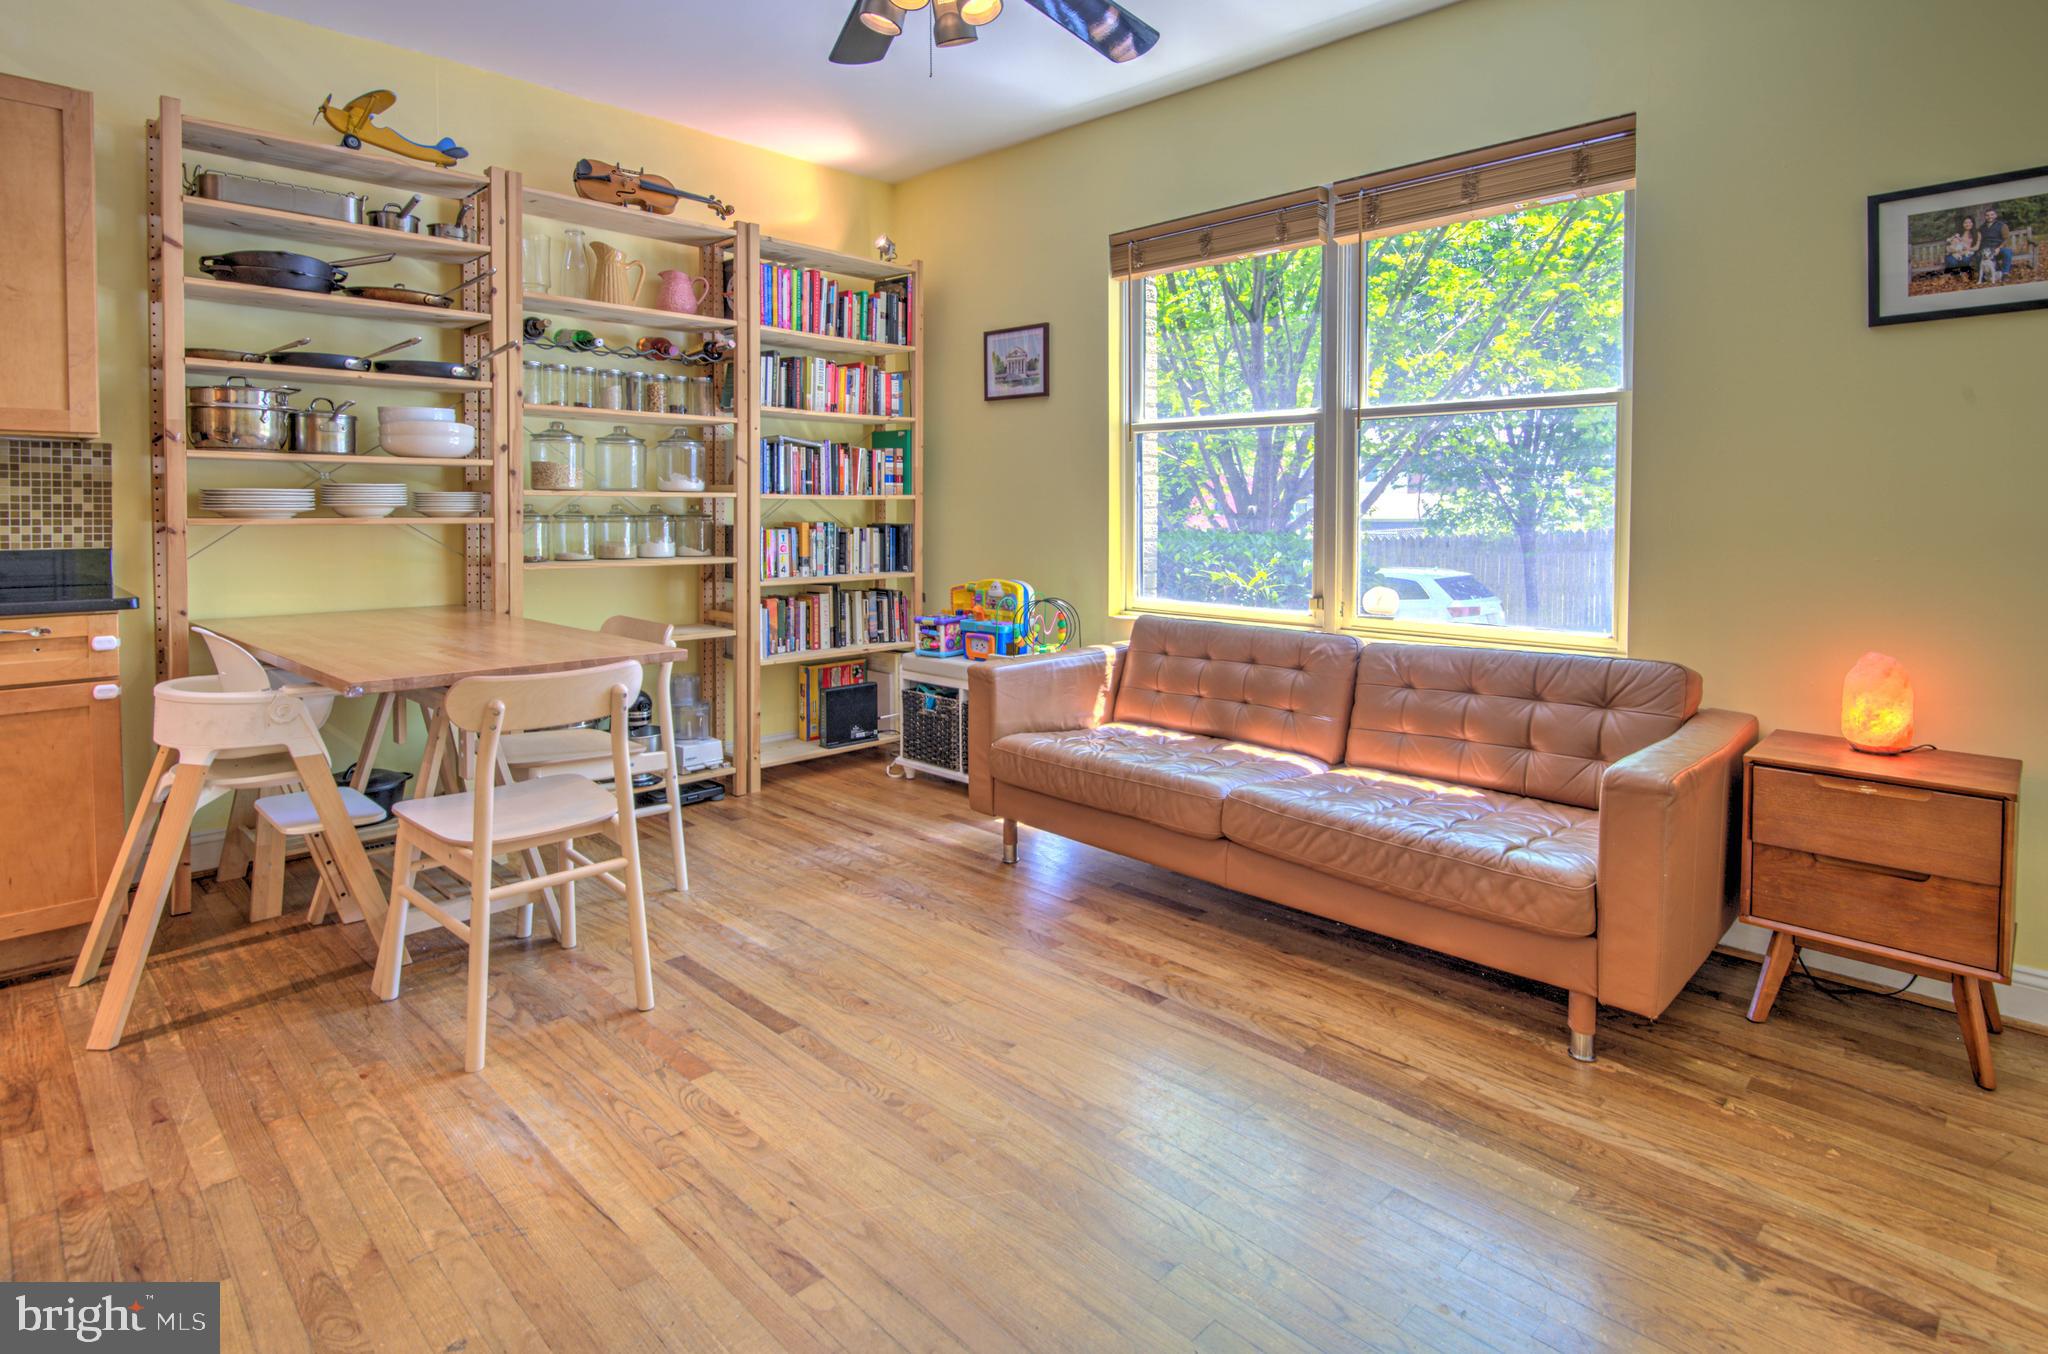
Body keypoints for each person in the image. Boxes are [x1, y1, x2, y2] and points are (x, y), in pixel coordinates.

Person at [1978, 206, 2012, 280]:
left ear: (1995, 215)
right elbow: (1979, 241)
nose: (1990, 216)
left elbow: (2006, 239)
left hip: (1998, 248)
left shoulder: (2002, 225)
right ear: (1985, 217)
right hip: (1986, 250)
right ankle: (1984, 276)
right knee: (1977, 256)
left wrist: (1999, 248)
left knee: (2007, 252)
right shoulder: (1981, 228)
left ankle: (2005, 274)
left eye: (1992, 214)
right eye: (1987, 215)